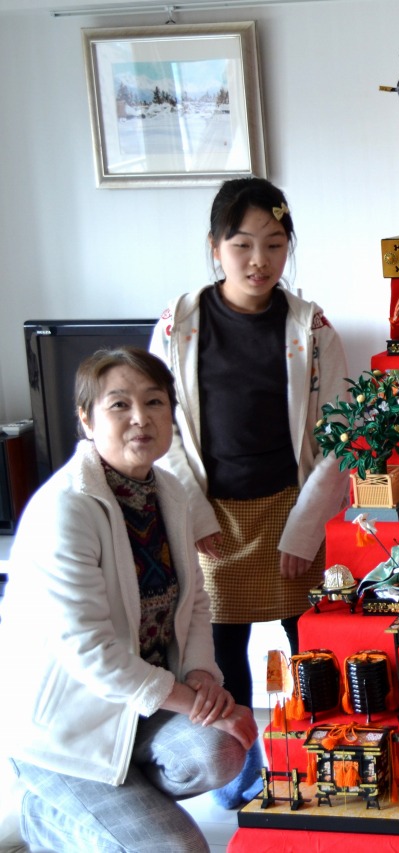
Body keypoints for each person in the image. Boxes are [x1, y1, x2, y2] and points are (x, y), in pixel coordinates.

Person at [0, 347, 257, 851]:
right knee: (181, 848)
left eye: (154, 402)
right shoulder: (66, 509)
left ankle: (107, 811)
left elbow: (196, 601)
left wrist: (203, 677)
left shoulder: (170, 492)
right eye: (119, 404)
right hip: (65, 731)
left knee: (222, 749)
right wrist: (198, 704)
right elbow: (92, 655)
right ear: (86, 419)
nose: (141, 417)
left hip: (135, 711)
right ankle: (46, 812)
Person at [149, 177, 349, 807]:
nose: (259, 261)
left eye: (274, 244)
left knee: (311, 646)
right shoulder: (179, 324)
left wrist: (306, 526)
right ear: (215, 247)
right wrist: (193, 514)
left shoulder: (311, 328)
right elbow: (163, 429)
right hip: (211, 516)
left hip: (292, 508)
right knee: (222, 653)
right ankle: (239, 776)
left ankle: (321, 763)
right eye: (242, 245)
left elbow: (339, 435)